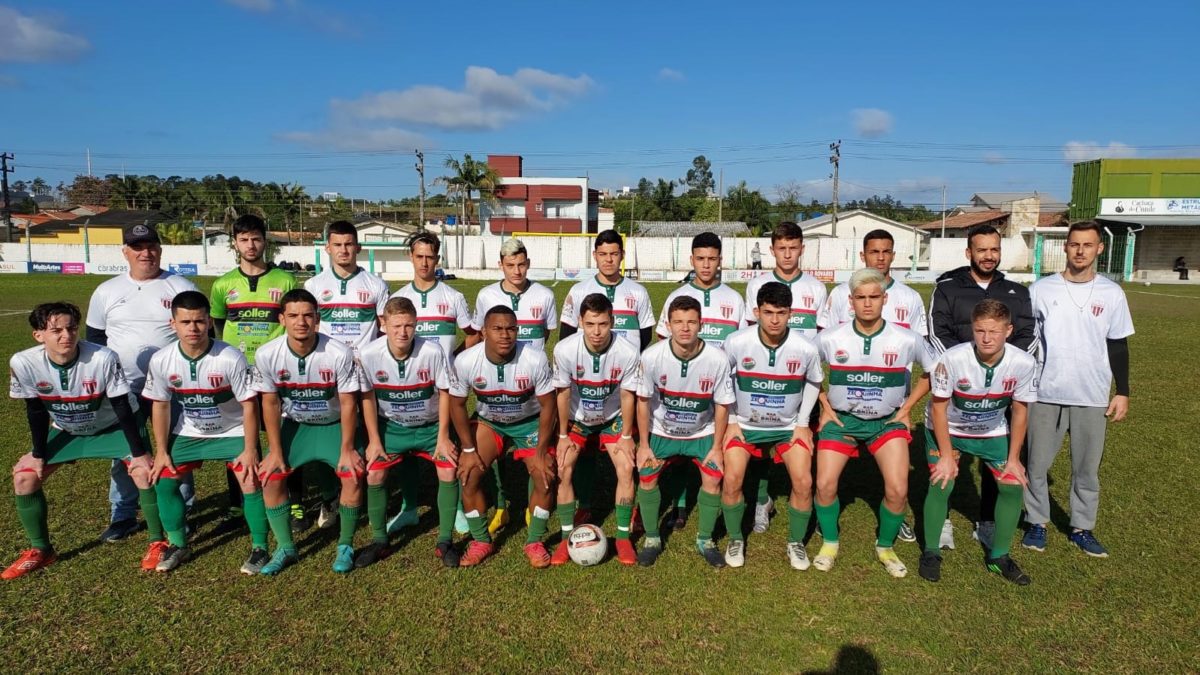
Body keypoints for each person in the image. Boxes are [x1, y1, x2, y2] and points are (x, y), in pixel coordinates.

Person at [4, 303, 163, 578]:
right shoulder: (23, 362)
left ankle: (159, 542)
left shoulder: (102, 357)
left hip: (114, 426)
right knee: (24, 477)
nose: (66, 335)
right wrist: (38, 453)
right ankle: (41, 551)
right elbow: (36, 410)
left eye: (71, 328)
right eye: (56, 330)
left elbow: (123, 406)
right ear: (38, 335)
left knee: (143, 472)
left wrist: (138, 453)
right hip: (68, 429)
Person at [1023, 221, 1133, 558]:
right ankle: (1037, 523)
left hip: (1092, 395)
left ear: (1100, 248)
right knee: (1036, 466)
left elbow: (1117, 345)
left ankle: (1082, 527)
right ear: (1066, 247)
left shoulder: (1112, 293)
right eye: (1074, 244)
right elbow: (1026, 342)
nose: (1081, 251)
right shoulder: (1042, 289)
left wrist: (1123, 390)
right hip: (1045, 392)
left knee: (1086, 469)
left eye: (1088, 245)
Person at [813, 268, 933, 577]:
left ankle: (885, 546)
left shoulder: (907, 338)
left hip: (887, 422)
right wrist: (824, 404)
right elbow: (804, 368)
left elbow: (935, 371)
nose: (868, 304)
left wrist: (907, 408)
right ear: (850, 301)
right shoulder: (830, 337)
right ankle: (829, 541)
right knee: (824, 484)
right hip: (843, 422)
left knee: (898, 489)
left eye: (874, 297)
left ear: (885, 299)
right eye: (861, 298)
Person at [143, 291, 270, 573]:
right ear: (172, 324)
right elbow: (160, 406)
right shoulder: (162, 360)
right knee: (164, 481)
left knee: (249, 481)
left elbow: (250, 406)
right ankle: (178, 544)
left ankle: (260, 547)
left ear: (209, 322)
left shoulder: (229, 356)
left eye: (199, 321)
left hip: (233, 431)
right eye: (185, 322)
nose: (193, 328)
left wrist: (250, 449)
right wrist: (162, 451)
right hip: (189, 432)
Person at [927, 223, 1035, 550]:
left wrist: (999, 363)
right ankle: (942, 521)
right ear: (969, 252)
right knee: (944, 462)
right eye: (982, 250)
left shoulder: (1016, 291)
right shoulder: (947, 287)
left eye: (994, 250)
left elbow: (1027, 334)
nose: (989, 256)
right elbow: (937, 331)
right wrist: (967, 363)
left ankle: (986, 522)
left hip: (998, 388)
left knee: (999, 460)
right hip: (959, 383)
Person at [86, 224, 196, 543]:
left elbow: (200, 335)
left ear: (160, 250)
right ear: (125, 252)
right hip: (123, 389)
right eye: (137, 247)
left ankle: (182, 509)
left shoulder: (180, 285)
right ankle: (123, 514)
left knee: (175, 447)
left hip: (172, 388)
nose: (145, 253)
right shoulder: (106, 291)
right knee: (126, 451)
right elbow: (94, 341)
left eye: (151, 246)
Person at [919, 300, 1037, 585]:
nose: (986, 338)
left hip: (992, 431)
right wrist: (947, 457)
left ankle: (999, 557)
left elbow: (1020, 411)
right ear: (972, 329)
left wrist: (1013, 459)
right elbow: (938, 408)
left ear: (1008, 330)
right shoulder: (952, 358)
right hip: (949, 429)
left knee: (1012, 485)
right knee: (941, 481)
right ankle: (931, 552)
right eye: (980, 330)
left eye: (994, 332)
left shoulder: (1023, 362)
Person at [253, 289, 366, 575]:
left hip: (334, 426)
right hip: (297, 426)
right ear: (282, 319)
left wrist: (347, 448)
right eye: (293, 316)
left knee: (351, 474)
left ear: (317, 319)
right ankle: (286, 548)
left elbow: (348, 402)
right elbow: (269, 402)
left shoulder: (338, 352)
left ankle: (345, 545)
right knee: (271, 477)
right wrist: (275, 451)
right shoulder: (267, 353)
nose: (300, 322)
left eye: (307, 315)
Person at [209, 215, 309, 533]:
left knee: (285, 434)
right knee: (237, 436)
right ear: (234, 244)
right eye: (243, 239)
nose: (250, 245)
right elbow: (218, 326)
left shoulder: (285, 281)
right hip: (236, 373)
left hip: (276, 371)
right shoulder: (222, 285)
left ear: (265, 241)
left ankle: (295, 501)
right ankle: (238, 503)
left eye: (256, 239)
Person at [721, 282, 823, 569]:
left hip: (788, 428)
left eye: (781, 312)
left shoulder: (805, 347)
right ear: (756, 311)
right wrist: (730, 420)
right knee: (732, 480)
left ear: (791, 313)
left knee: (804, 481)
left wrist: (803, 423)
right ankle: (735, 538)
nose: (775, 320)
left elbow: (815, 380)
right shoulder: (737, 342)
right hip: (744, 425)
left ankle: (795, 543)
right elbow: (722, 379)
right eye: (768, 312)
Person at [558, 229, 655, 528]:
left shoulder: (637, 292)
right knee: (583, 452)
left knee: (629, 449)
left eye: (614, 253)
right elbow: (565, 333)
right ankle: (585, 504)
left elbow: (646, 333)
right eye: (603, 254)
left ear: (622, 256)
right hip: (587, 382)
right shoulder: (578, 290)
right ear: (595, 256)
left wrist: (624, 358)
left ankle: (633, 508)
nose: (609, 259)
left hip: (622, 381)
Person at [356, 297, 462, 568]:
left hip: (430, 429)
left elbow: (446, 393)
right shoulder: (369, 354)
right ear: (383, 324)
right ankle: (380, 540)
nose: (403, 332)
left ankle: (445, 540)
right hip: (392, 429)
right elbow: (367, 398)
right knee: (375, 471)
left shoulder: (432, 351)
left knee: (448, 468)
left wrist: (443, 436)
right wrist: (374, 440)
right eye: (396, 326)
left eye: (409, 325)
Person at [449, 306, 557, 568]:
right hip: (491, 424)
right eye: (497, 329)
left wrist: (542, 451)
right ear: (484, 332)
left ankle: (534, 541)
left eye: (511, 329)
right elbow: (456, 405)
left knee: (544, 477)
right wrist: (467, 449)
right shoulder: (466, 360)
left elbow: (549, 406)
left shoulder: (534, 358)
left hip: (528, 423)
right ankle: (481, 540)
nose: (505, 335)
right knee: (468, 473)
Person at [464, 238, 558, 535]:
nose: (516, 270)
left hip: (532, 383)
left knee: (539, 451)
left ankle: (533, 510)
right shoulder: (485, 295)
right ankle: (502, 505)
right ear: (500, 265)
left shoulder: (544, 295)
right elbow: (478, 337)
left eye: (521, 264)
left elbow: (547, 333)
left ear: (528, 263)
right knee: (492, 449)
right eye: (510, 265)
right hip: (496, 383)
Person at [635, 295, 736, 568]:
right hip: (661, 432)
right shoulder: (652, 356)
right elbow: (642, 402)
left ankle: (705, 540)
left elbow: (722, 405)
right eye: (678, 322)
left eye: (691, 321)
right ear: (668, 324)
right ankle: (653, 539)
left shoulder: (717, 359)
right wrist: (643, 444)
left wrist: (716, 447)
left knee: (713, 479)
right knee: (646, 477)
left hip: (702, 433)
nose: (685, 328)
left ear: (701, 324)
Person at [655, 232, 747, 530]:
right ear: (691, 260)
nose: (706, 265)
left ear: (720, 260)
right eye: (700, 259)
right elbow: (661, 342)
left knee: (730, 446)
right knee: (682, 445)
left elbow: (743, 343)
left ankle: (746, 501)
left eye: (712, 259)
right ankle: (681, 505)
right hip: (684, 387)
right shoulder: (676, 296)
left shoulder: (734, 298)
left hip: (723, 390)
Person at [742, 221, 828, 535]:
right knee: (763, 443)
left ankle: (813, 503)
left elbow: (821, 336)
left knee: (807, 439)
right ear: (772, 250)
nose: (788, 254)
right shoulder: (757, 285)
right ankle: (763, 500)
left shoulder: (817, 289)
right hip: (766, 375)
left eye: (793, 248)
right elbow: (751, 331)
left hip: (803, 379)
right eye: (782, 248)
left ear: (802, 249)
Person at [391, 231, 476, 535]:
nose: (425, 262)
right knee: (407, 451)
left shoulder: (453, 297)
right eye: (419, 256)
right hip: (406, 388)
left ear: (437, 259)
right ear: (411, 258)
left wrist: (452, 359)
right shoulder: (398, 298)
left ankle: (454, 510)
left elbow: (473, 333)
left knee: (449, 448)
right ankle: (409, 507)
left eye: (430, 256)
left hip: (445, 388)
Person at [550, 293, 641, 565]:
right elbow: (563, 394)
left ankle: (623, 538)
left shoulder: (627, 352)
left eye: (602, 323)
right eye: (590, 324)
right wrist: (563, 436)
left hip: (612, 417)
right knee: (563, 466)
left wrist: (626, 436)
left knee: (626, 467)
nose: (597, 332)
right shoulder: (565, 350)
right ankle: (567, 538)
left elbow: (628, 396)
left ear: (612, 321)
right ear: (580, 321)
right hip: (578, 418)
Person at [305, 220, 389, 354]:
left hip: (364, 363)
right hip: (327, 361)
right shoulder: (313, 284)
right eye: (337, 245)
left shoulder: (377, 284)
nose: (343, 250)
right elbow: (312, 326)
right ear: (328, 248)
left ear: (358, 247)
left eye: (348, 244)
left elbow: (384, 327)